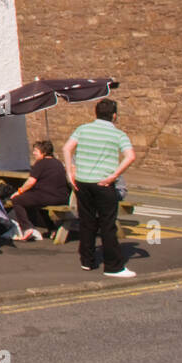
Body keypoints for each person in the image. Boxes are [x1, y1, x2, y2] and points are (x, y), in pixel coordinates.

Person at [63, 99, 136, 277]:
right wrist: (114, 175)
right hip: (103, 183)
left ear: (95, 113)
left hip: (82, 181)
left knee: (87, 222)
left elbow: (67, 148)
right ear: (114, 115)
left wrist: (70, 172)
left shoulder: (82, 129)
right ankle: (113, 267)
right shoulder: (118, 135)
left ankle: (87, 261)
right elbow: (130, 156)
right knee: (107, 225)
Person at [8, 140, 71, 240]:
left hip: (47, 196)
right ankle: (52, 229)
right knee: (38, 204)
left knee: (17, 200)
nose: (33, 153)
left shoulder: (41, 164)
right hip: (62, 197)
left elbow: (30, 182)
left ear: (44, 152)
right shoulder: (58, 163)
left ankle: (26, 228)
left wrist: (19, 192)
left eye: (36, 151)